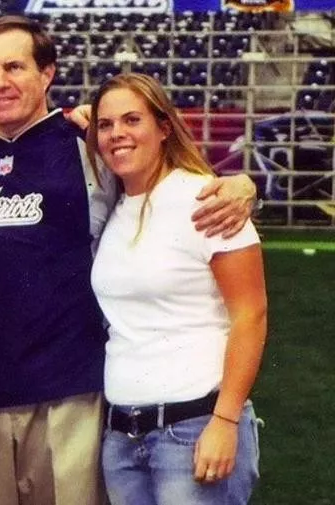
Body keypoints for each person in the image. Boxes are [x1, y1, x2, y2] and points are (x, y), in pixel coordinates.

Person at [0, 15, 259, 505]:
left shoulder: (91, 152)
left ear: (47, 74)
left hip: (69, 401)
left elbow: (166, 178)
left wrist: (239, 187)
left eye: (14, 67)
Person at [86, 73, 266, 505]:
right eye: (106, 125)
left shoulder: (208, 201)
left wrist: (224, 421)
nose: (118, 134)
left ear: (164, 127)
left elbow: (251, 315)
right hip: (122, 437)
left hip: (193, 428)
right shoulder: (116, 203)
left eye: (133, 119)